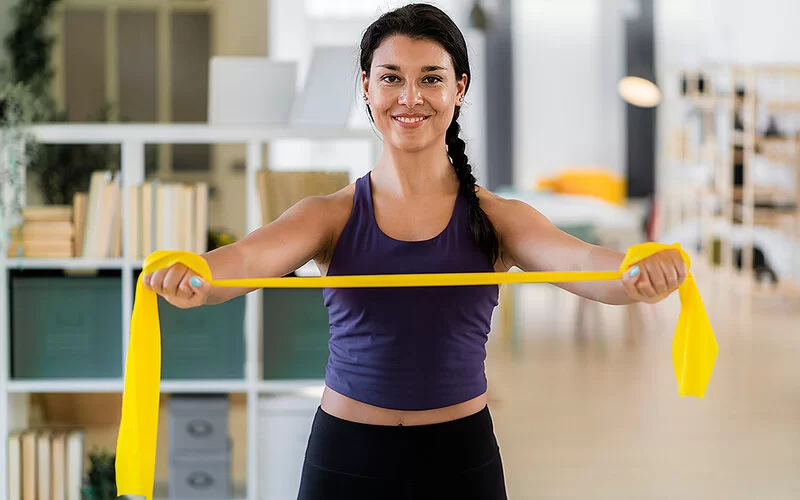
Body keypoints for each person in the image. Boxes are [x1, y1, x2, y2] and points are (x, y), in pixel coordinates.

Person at [143, 4, 686, 499]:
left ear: (459, 88)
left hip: (460, 458)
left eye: (431, 78)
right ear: (366, 87)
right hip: (346, 458)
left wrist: (635, 270)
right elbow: (243, 261)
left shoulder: (496, 218)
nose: (410, 98)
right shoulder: (327, 214)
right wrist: (197, 275)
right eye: (390, 79)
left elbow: (584, 264)